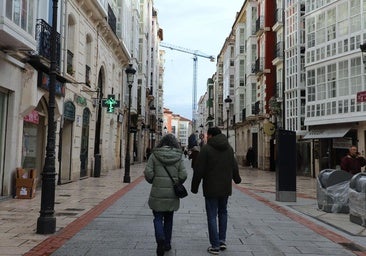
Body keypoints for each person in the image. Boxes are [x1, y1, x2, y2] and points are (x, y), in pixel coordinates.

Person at [191, 127, 241, 255]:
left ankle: (214, 246)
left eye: (208, 135)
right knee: (223, 212)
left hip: (211, 188)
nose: (206, 137)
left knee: (212, 215)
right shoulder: (229, 149)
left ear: (211, 136)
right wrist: (237, 179)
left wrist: (194, 187)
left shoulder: (207, 149)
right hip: (225, 187)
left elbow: (199, 169)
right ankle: (222, 240)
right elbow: (234, 165)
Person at [144, 134, 187, 256]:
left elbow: (148, 172)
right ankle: (167, 243)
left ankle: (160, 239)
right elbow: (183, 175)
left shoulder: (154, 155)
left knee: (157, 218)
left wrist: (153, 180)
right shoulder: (178, 156)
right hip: (172, 194)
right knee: (169, 219)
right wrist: (177, 182)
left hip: (157, 193)